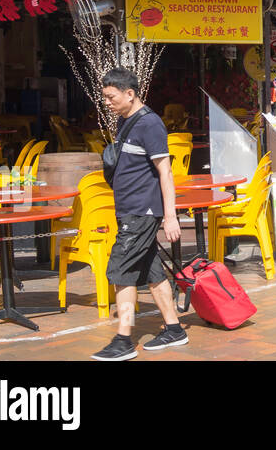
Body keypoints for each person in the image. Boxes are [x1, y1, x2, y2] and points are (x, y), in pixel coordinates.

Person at [91, 68, 186, 360]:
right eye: (104, 97)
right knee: (152, 272)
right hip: (129, 209)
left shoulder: (151, 125)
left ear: (130, 94)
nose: (106, 102)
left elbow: (165, 172)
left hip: (141, 212)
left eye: (111, 97)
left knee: (121, 272)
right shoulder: (125, 121)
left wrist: (170, 216)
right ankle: (174, 328)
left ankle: (124, 338)